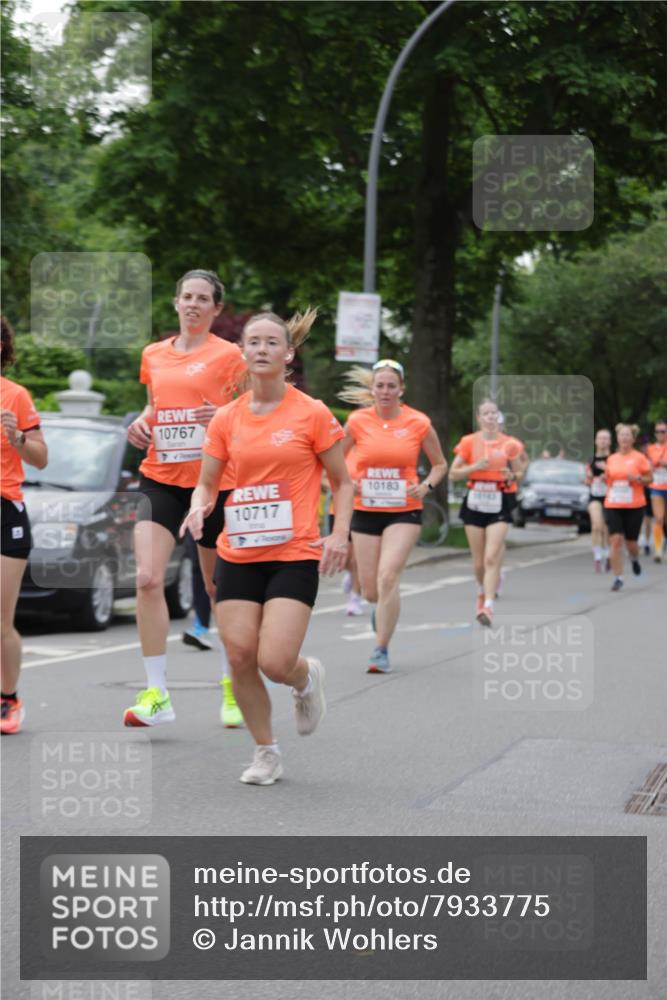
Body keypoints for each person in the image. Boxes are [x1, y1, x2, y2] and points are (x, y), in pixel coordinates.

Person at [181, 308, 353, 785]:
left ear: (288, 354)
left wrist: (338, 534)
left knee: (273, 660)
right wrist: (198, 506)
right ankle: (266, 752)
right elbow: (208, 484)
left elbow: (342, 481)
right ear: (242, 352)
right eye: (253, 341)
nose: (261, 349)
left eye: (271, 342)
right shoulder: (226, 418)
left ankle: (303, 677)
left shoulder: (311, 413)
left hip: (293, 550)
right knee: (238, 655)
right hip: (239, 550)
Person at [122, 270, 247, 727]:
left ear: (216, 309)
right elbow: (156, 406)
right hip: (160, 477)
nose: (193, 304)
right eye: (186, 297)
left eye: (203, 299)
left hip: (213, 484)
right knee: (148, 578)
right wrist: (141, 421)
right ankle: (157, 694)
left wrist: (225, 414)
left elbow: (258, 409)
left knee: (218, 590)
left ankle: (233, 684)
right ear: (176, 303)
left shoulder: (231, 356)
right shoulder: (154, 354)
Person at [339, 361, 447, 673]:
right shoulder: (358, 421)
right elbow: (336, 459)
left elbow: (440, 464)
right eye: (380, 386)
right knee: (372, 589)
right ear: (372, 389)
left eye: (391, 386)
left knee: (389, 576)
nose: (385, 392)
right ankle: (380, 609)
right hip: (366, 510)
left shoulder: (418, 422)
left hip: (404, 511)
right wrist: (349, 481)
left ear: (401, 389)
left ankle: (380, 649)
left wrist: (425, 487)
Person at [1, 317, 48, 734]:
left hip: (5, 513)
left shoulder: (15, 396)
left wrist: (17, 439)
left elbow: (40, 458)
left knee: (1, 618)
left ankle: (9, 700)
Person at [450, 399, 527, 626]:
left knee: (491, 556)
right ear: (479, 418)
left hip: (499, 500)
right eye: (486, 414)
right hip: (475, 501)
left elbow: (519, 471)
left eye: (494, 413)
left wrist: (512, 476)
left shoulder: (509, 444)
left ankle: (488, 606)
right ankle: (482, 589)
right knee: (478, 563)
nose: (491, 417)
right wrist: (475, 467)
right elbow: (453, 474)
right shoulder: (468, 442)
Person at [603, 423, 652, 591]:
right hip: (613, 503)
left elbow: (649, 478)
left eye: (627, 435)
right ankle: (618, 577)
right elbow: (609, 480)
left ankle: (634, 559)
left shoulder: (639, 458)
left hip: (634, 505)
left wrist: (638, 479)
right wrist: (604, 477)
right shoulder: (611, 458)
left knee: (631, 543)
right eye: (621, 435)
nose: (624, 438)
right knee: (615, 540)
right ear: (617, 438)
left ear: (633, 439)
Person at [585, 428, 612, 572]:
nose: (602, 441)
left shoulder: (614, 459)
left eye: (605, 438)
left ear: (610, 441)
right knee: (597, 526)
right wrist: (589, 479)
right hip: (594, 496)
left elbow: (620, 477)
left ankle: (607, 554)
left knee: (607, 528)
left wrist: (607, 474)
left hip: (610, 497)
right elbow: (587, 478)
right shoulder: (591, 460)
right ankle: (597, 557)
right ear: (595, 440)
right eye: (600, 438)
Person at [646, 419, 667, 563]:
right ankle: (658, 550)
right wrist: (650, 467)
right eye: (657, 431)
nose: (660, 434)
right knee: (659, 518)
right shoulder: (651, 448)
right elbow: (646, 466)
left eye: (663, 431)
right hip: (657, 487)